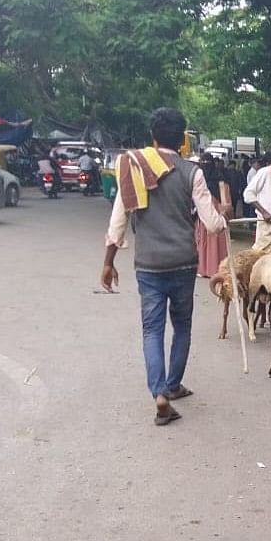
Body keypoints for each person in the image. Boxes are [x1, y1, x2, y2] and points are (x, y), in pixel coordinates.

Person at [100, 107, 232, 426]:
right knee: (183, 325)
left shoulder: (133, 166)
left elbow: (119, 219)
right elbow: (212, 225)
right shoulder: (192, 171)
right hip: (183, 263)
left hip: (148, 265)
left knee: (152, 330)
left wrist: (108, 263)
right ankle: (173, 384)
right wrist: (224, 212)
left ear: (153, 136)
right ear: (183, 140)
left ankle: (159, 393)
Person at [195, 153, 231, 278]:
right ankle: (209, 268)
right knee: (210, 241)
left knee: (210, 241)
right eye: (203, 162)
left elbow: (224, 200)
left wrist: (223, 211)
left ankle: (209, 268)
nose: (205, 165)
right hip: (209, 213)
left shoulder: (216, 178)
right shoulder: (203, 179)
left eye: (206, 162)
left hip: (212, 212)